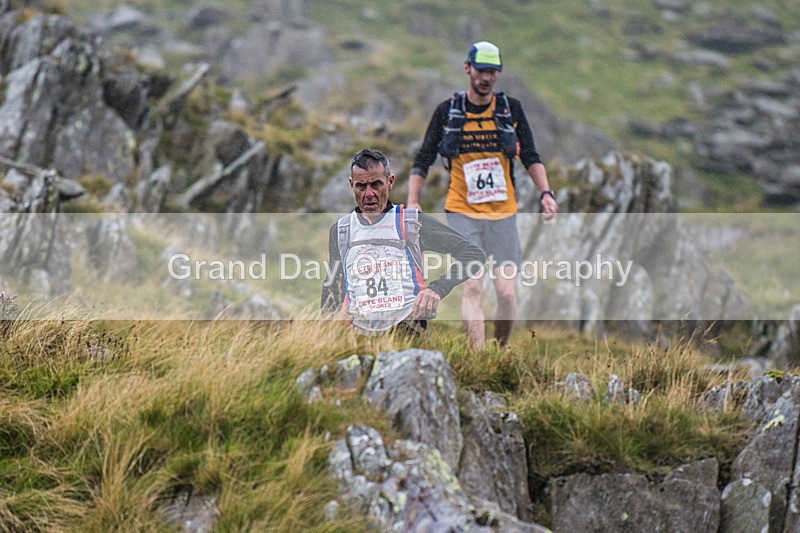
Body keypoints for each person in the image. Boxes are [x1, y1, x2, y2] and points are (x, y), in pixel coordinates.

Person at [407, 40, 558, 349]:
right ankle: (477, 358)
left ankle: (498, 350)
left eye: (492, 72)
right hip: (462, 211)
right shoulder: (447, 112)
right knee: (473, 286)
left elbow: (530, 155)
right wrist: (412, 201)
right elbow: (423, 159)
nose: (486, 78)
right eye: (481, 71)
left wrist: (546, 193)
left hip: (503, 213)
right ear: (468, 69)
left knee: (506, 293)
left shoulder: (510, 109)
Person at [321, 149, 486, 335]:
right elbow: (333, 288)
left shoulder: (411, 223)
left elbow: (473, 254)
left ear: (390, 182)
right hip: (355, 337)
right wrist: (327, 337)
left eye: (376, 184)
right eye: (361, 186)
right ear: (352, 185)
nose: (369, 193)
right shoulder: (342, 230)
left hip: (407, 332)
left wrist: (437, 289)